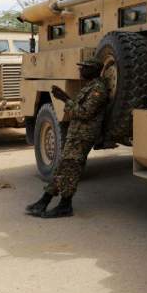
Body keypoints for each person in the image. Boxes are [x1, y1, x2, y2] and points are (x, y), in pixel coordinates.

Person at [25, 58, 109, 218]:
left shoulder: (98, 89)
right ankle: (44, 201)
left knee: (70, 168)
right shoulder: (90, 87)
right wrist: (65, 99)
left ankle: (64, 205)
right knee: (63, 167)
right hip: (76, 135)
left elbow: (84, 113)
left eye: (84, 68)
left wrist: (65, 98)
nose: (80, 70)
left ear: (93, 70)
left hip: (83, 137)